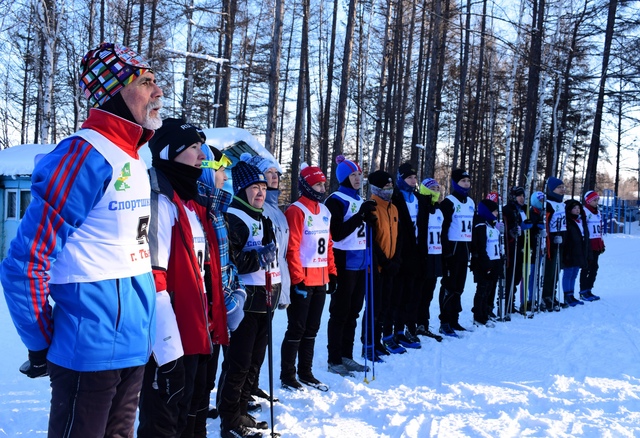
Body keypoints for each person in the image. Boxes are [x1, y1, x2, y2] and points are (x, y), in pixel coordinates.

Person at [0, 42, 161, 437]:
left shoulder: (136, 157)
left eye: (156, 81)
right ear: (113, 91)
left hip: (133, 348)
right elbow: (25, 263)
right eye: (145, 81)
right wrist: (39, 343)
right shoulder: (84, 154)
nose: (159, 91)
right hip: (87, 354)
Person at [138, 118, 227, 438]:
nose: (203, 154)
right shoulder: (159, 199)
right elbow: (154, 275)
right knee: (163, 420)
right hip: (170, 336)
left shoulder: (194, 202)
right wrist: (164, 346)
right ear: (170, 152)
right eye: (193, 147)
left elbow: (203, 271)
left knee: (191, 415)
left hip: (198, 329)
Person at [217, 160, 279, 438]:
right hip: (244, 302)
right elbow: (230, 261)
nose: (260, 192)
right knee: (238, 363)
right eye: (254, 187)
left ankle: (241, 411)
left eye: (263, 187)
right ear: (241, 189)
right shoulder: (235, 217)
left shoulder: (262, 217)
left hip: (264, 299)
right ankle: (230, 419)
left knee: (254, 362)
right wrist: (257, 258)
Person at [194, 144, 246, 436]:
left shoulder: (217, 210)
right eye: (221, 170)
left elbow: (226, 264)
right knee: (195, 387)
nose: (226, 177)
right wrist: (227, 302)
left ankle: (200, 422)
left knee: (206, 380)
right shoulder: (199, 213)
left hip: (217, 315)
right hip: (201, 317)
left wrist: (234, 294)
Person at [281, 163, 337, 391]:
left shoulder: (324, 211)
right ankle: (288, 375)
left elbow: (329, 245)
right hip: (303, 281)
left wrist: (332, 273)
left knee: (312, 329)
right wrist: (297, 279)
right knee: (297, 328)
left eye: (323, 183)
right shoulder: (296, 210)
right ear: (305, 185)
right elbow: (292, 248)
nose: (322, 188)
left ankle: (306, 371)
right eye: (317, 184)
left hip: (320, 279)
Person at [241, 152, 290, 403]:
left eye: (275, 174)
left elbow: (282, 254)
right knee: (246, 348)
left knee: (261, 345)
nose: (274, 178)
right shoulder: (256, 209)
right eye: (268, 173)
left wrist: (285, 288)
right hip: (254, 286)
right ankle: (242, 392)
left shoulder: (277, 211)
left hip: (273, 281)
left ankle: (252, 385)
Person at [324, 155, 376, 376]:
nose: (358, 178)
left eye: (359, 175)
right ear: (343, 177)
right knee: (340, 312)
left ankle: (347, 354)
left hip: (362, 262)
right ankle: (334, 358)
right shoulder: (335, 199)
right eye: (353, 175)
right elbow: (336, 234)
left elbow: (363, 232)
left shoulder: (359, 198)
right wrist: (360, 216)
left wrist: (369, 221)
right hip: (344, 262)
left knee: (354, 312)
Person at [365, 170, 402, 358]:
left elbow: (396, 237)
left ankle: (378, 340)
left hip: (390, 266)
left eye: (391, 185)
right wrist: (384, 261)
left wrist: (395, 260)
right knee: (374, 307)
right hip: (376, 267)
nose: (390, 189)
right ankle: (368, 343)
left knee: (385, 306)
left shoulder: (393, 208)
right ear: (377, 188)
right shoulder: (371, 207)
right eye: (386, 186)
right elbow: (372, 241)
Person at [389, 162, 425, 349]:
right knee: (397, 294)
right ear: (401, 179)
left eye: (414, 177)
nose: (412, 180)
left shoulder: (418, 199)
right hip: (399, 253)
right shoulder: (395, 198)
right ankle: (393, 332)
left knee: (410, 295)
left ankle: (403, 330)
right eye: (409, 177)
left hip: (415, 254)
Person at [439, 168, 475, 336]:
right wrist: (445, 252)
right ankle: (444, 321)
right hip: (452, 249)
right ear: (455, 183)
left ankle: (454, 319)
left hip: (464, 248)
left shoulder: (471, 202)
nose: (466, 184)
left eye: (468, 181)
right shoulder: (449, 202)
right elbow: (443, 228)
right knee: (449, 286)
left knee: (459, 286)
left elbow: (472, 228)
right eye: (463, 181)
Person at [415, 178, 444, 342]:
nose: (436, 190)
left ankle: (423, 324)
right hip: (422, 255)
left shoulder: (438, 211)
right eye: (432, 187)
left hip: (436, 255)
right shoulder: (420, 207)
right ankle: (411, 324)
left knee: (428, 293)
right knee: (418, 292)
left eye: (438, 187)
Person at [470, 199, 502, 327]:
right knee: (482, 289)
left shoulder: (492, 224)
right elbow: (480, 246)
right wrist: (485, 262)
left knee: (491, 288)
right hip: (484, 263)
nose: (496, 213)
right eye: (494, 211)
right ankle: (479, 315)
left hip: (494, 261)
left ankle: (487, 311)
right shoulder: (480, 225)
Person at [502, 186, 532, 314]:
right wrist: (511, 232)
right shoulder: (508, 209)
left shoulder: (525, 209)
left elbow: (528, 222)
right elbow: (504, 227)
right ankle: (506, 303)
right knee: (510, 275)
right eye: (519, 196)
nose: (522, 198)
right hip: (511, 247)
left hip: (522, 246)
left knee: (518, 275)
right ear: (513, 197)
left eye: (523, 196)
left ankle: (511, 302)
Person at [541, 177, 567, 311]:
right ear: (552, 190)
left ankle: (552, 293)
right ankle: (545, 295)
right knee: (550, 269)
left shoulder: (562, 204)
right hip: (552, 239)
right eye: (559, 187)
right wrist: (549, 237)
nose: (562, 189)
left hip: (561, 237)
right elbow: (545, 223)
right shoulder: (548, 203)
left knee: (557, 269)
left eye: (563, 187)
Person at [561, 200, 588, 307]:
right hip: (569, 251)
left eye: (578, 208)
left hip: (578, 251)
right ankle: (567, 295)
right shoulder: (567, 221)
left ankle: (571, 294)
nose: (577, 210)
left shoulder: (580, 221)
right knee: (568, 274)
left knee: (574, 273)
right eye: (574, 208)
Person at [579, 191, 604, 301]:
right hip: (588, 244)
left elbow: (600, 229)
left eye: (597, 200)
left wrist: (601, 242)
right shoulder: (584, 211)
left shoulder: (597, 212)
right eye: (594, 200)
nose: (596, 202)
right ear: (588, 200)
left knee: (594, 267)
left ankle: (589, 289)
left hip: (597, 243)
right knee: (586, 268)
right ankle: (583, 290)